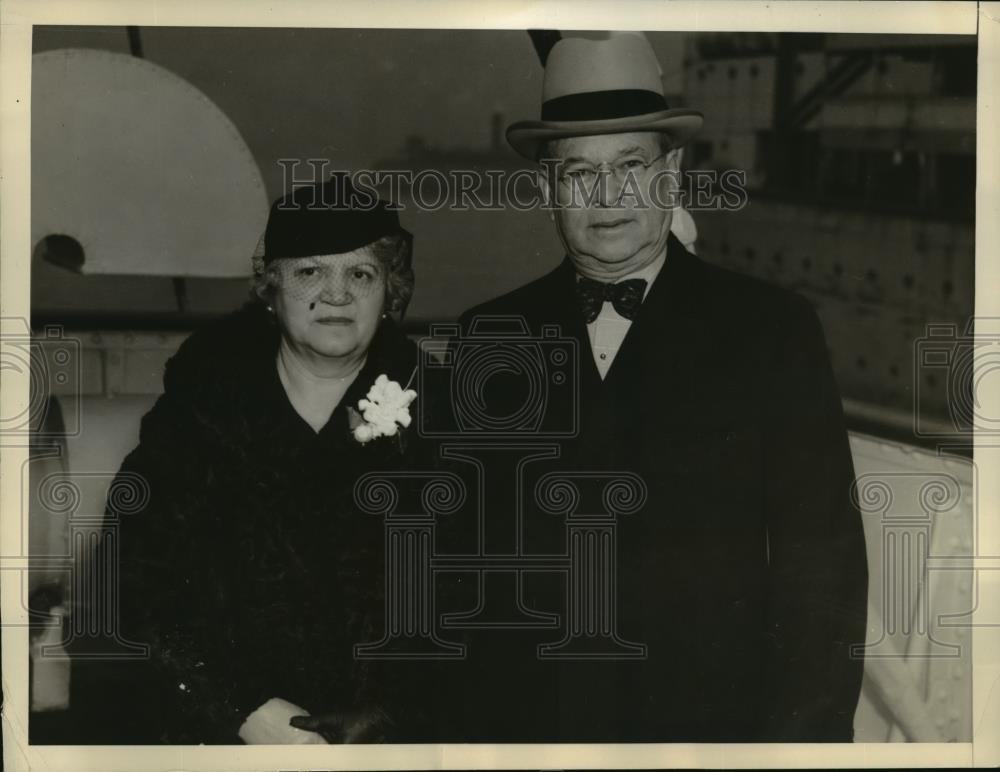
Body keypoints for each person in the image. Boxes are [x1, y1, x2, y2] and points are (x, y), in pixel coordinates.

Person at [444, 33, 869, 742]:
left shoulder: (771, 330)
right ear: (549, 186)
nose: (606, 196)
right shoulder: (489, 335)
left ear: (671, 174)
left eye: (631, 166)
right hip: (532, 735)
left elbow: (821, 573)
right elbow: (457, 571)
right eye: (580, 172)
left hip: (712, 737)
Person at [78, 176, 436, 744]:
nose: (337, 294)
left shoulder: (442, 421)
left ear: (390, 293)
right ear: (271, 288)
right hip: (223, 737)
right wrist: (243, 710)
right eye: (310, 271)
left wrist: (388, 718)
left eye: (361, 273)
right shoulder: (199, 410)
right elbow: (131, 583)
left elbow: (473, 596)